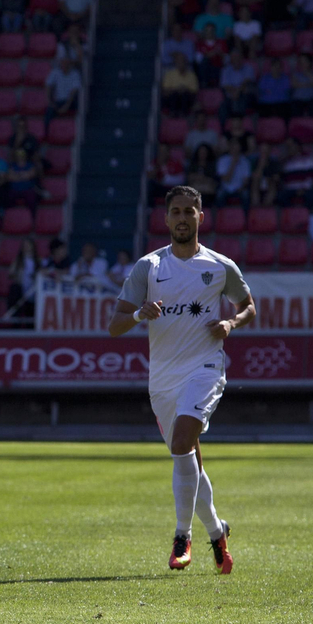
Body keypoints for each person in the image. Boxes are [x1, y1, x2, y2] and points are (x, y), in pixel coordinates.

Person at [109, 185, 256, 574]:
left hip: (205, 368)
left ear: (200, 217)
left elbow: (248, 307)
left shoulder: (219, 266)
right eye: (176, 211)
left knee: (181, 442)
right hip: (163, 379)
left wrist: (230, 323)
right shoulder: (149, 267)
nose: (182, 218)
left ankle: (181, 536)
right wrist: (139, 314)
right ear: (166, 218)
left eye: (189, 211)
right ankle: (218, 532)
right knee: (186, 457)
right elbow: (114, 325)